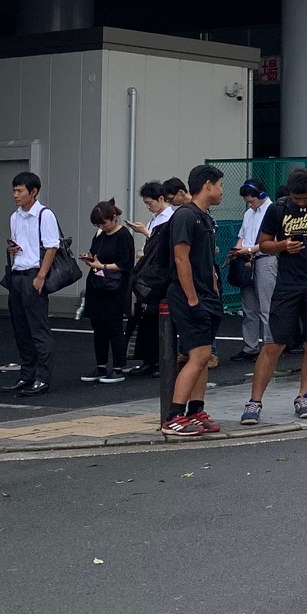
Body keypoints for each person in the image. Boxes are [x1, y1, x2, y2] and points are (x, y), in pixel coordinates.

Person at [247, 168, 307, 425]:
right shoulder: (277, 208)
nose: (300, 203)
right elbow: (264, 244)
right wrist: (282, 246)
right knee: (274, 342)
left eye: (305, 198)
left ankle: (304, 396)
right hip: (287, 283)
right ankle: (254, 401)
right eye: (296, 199)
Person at [161, 166, 226, 437]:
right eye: (220, 184)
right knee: (197, 355)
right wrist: (192, 299)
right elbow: (180, 258)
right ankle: (173, 417)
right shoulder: (186, 217)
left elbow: (207, 262)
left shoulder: (204, 218)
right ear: (208, 185)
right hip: (189, 295)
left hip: (206, 295)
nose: (222, 190)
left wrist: (212, 291)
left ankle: (196, 411)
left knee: (204, 356)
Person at [3, 170, 60, 396]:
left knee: (38, 329)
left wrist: (41, 276)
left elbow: (52, 246)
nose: (15, 195)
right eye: (14, 190)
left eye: (20, 190)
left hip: (33, 274)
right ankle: (26, 375)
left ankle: (42, 378)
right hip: (17, 274)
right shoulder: (14, 216)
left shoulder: (44, 215)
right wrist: (11, 249)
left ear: (33, 192)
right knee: (21, 329)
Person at [80, 199, 133, 383]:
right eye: (98, 224)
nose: (101, 226)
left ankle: (118, 367)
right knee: (98, 327)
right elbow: (96, 255)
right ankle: (101, 366)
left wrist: (100, 265)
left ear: (114, 218)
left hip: (114, 287)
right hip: (97, 283)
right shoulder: (100, 234)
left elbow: (126, 264)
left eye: (104, 223)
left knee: (114, 327)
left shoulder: (124, 235)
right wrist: (91, 260)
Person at [123, 180, 171, 377]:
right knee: (145, 317)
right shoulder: (155, 218)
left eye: (150, 202)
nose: (148, 206)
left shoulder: (170, 218)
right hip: (149, 270)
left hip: (159, 274)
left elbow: (163, 244)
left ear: (161, 199)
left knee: (156, 316)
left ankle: (159, 361)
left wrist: (144, 231)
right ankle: (148, 359)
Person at [229, 180, 272, 361]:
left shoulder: (273, 211)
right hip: (247, 259)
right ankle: (251, 346)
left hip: (265, 259)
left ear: (261, 196)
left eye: (251, 200)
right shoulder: (249, 213)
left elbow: (271, 240)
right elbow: (242, 235)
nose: (249, 204)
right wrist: (238, 250)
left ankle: (269, 346)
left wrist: (246, 250)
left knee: (266, 306)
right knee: (249, 308)